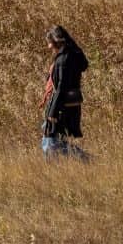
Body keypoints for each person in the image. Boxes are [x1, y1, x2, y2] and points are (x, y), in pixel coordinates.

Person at [41, 25, 90, 160]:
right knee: (51, 139)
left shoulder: (64, 59)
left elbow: (61, 87)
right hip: (68, 106)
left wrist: (52, 111)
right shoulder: (71, 55)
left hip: (61, 107)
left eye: (49, 43)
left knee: (50, 142)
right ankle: (54, 171)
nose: (49, 47)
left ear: (56, 41)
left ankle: (86, 159)